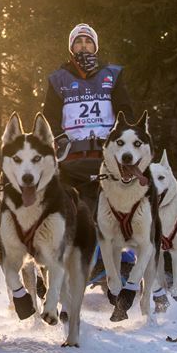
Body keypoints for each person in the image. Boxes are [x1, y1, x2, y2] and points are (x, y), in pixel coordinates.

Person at [42, 22, 134, 211]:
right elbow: (49, 118)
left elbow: (125, 113)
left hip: (107, 156)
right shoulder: (58, 79)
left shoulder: (112, 75)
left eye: (88, 41)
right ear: (71, 47)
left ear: (95, 47)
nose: (84, 46)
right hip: (71, 159)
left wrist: (119, 139)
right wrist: (61, 139)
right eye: (78, 42)